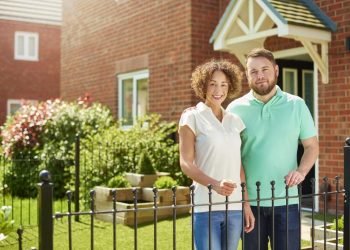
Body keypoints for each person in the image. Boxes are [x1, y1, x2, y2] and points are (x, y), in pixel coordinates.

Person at [227, 48, 319, 250]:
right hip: (250, 203)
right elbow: (229, 153)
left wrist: (301, 171)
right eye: (253, 71)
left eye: (264, 69)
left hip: (287, 200)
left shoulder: (297, 105)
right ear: (247, 75)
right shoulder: (235, 109)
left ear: (276, 70)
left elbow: (312, 146)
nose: (259, 76)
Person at [178, 59, 254, 250]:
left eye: (223, 84)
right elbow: (186, 163)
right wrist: (215, 185)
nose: (218, 90)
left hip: (235, 206)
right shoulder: (192, 116)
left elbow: (239, 166)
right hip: (206, 206)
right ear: (203, 85)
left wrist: (246, 204)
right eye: (212, 84)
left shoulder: (235, 120)